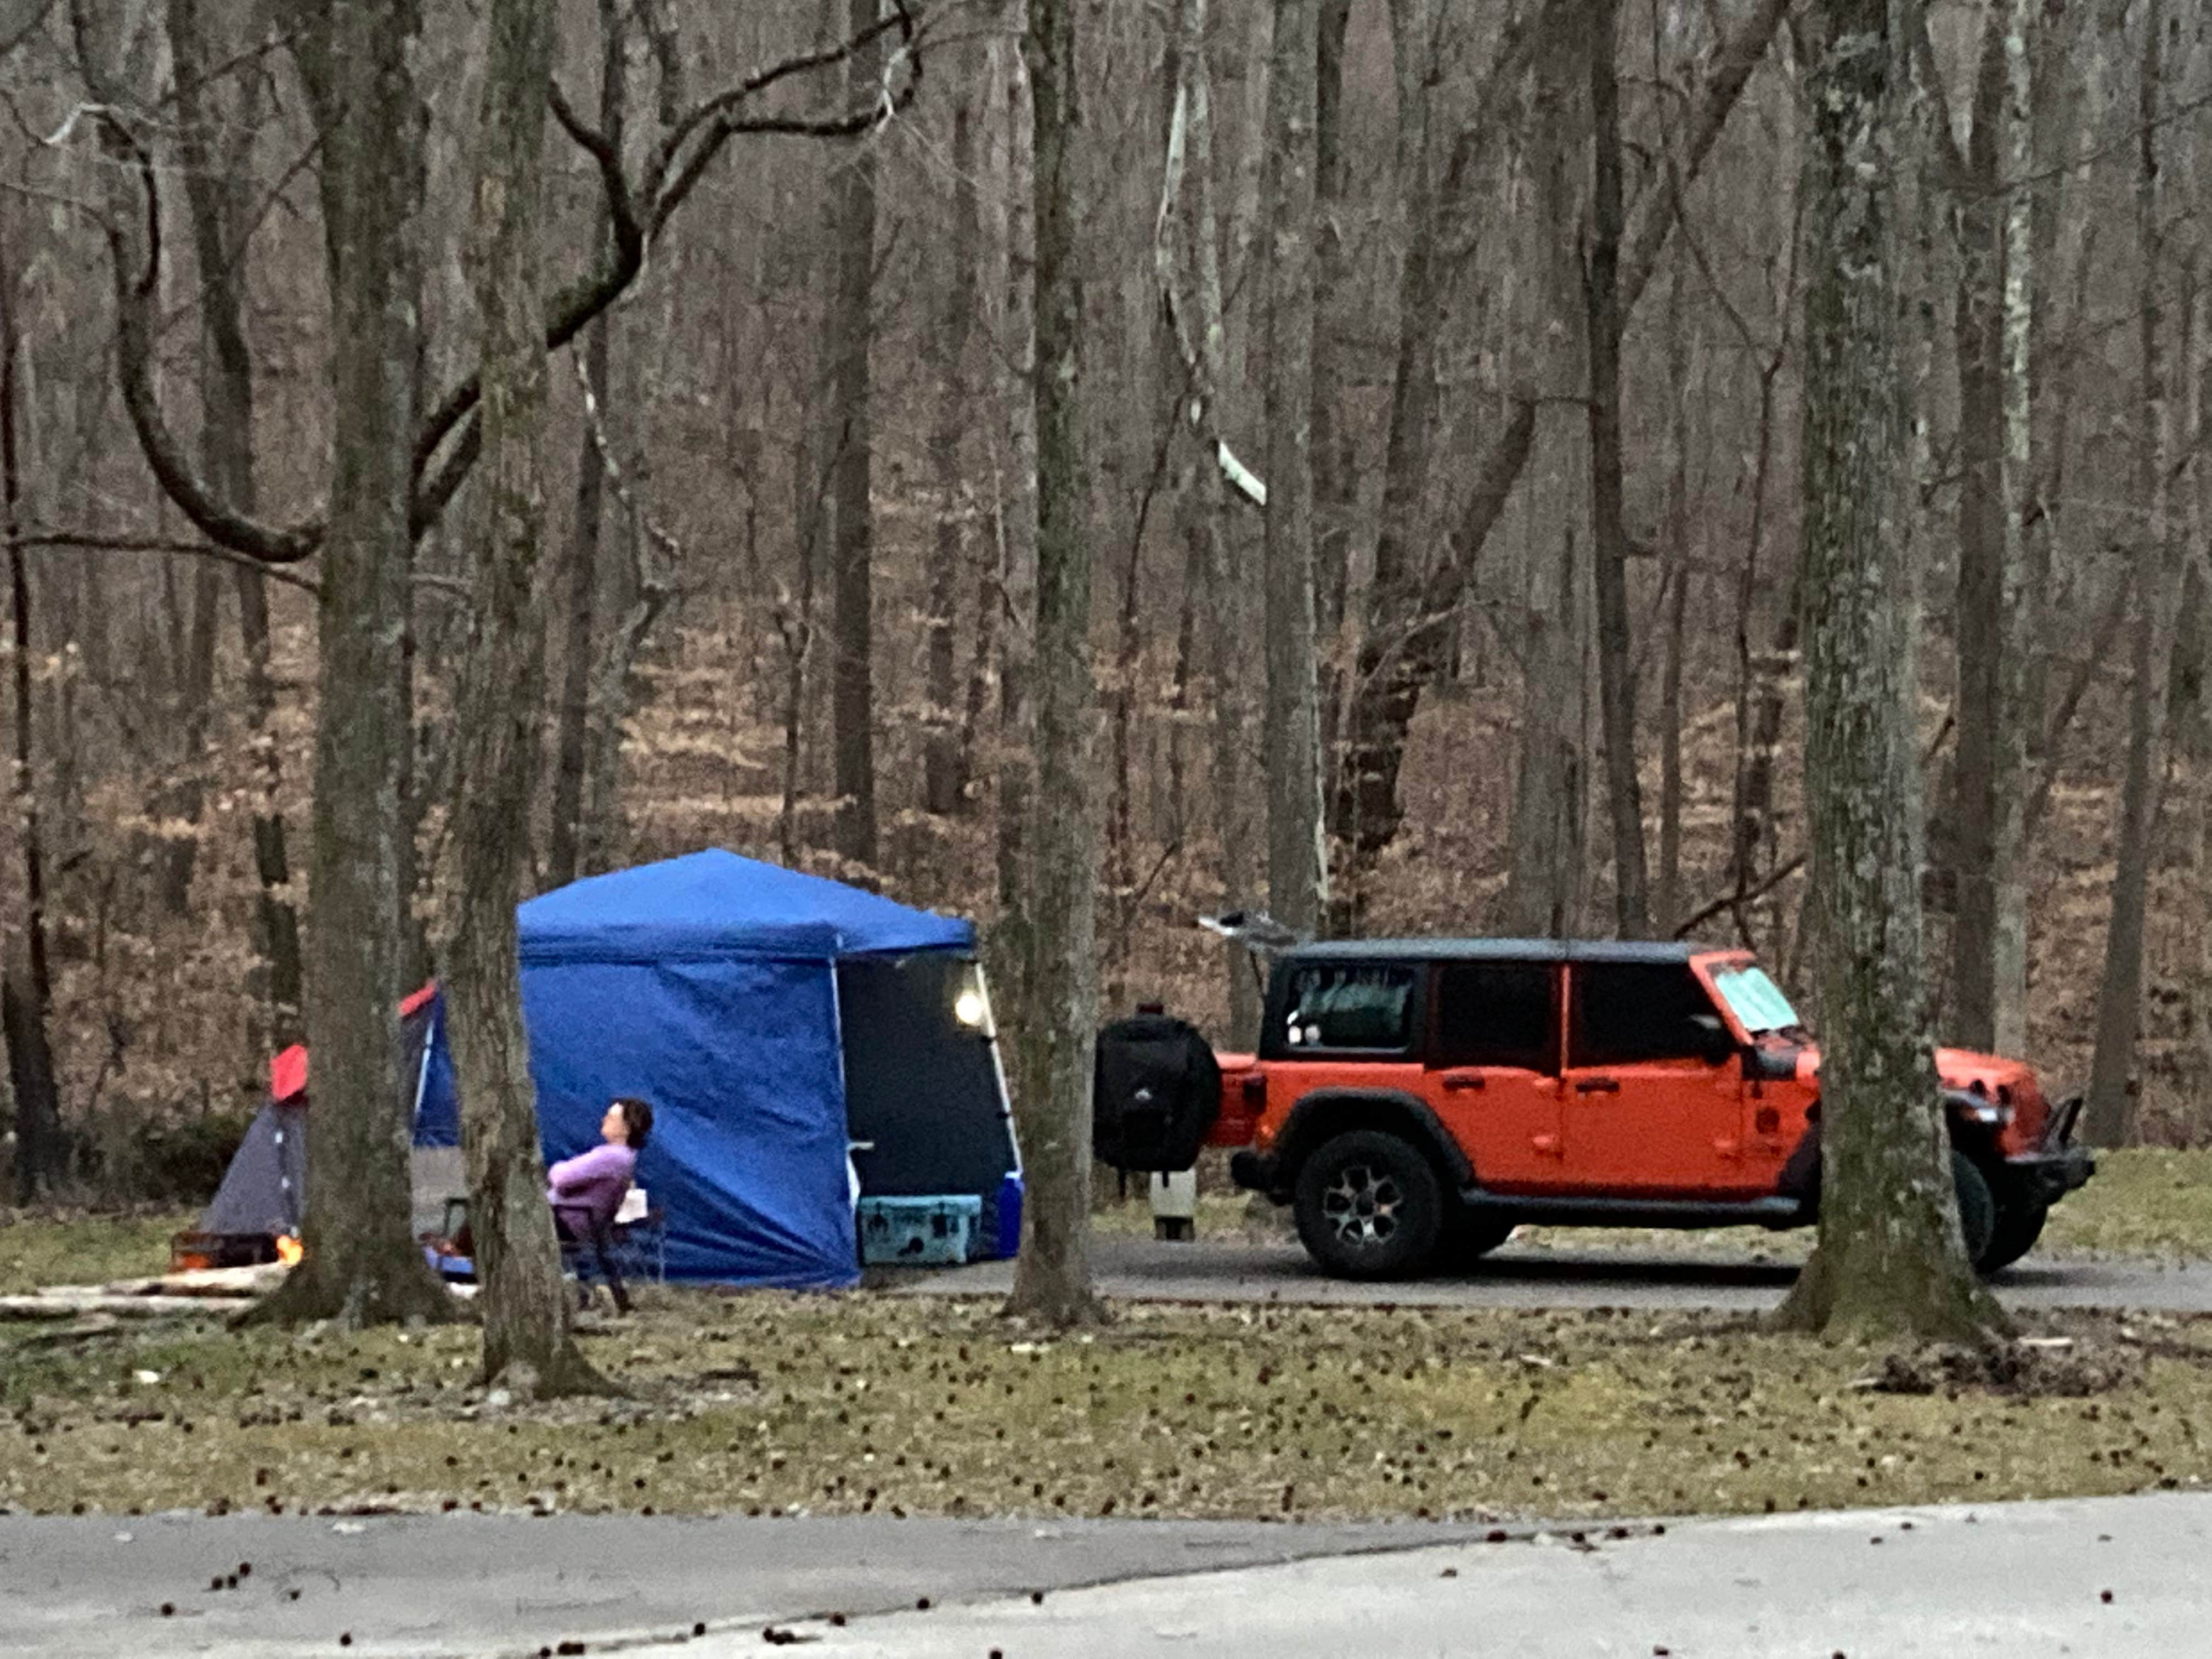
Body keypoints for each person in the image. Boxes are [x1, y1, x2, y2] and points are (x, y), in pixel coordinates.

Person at [547, 1097, 653, 1240]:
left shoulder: (612, 1157)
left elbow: (562, 1178)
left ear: (626, 1128)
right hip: (581, 1223)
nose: (604, 1120)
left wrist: (555, 1169)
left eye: (612, 1118)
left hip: (566, 1221)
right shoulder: (627, 1157)